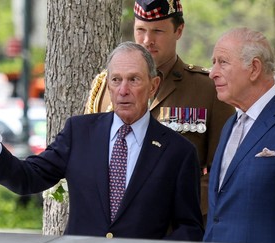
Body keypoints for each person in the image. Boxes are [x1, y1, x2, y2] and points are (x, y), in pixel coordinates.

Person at [0, 42, 203, 240]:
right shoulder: (79, 132)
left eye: (134, 80)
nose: (123, 90)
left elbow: (189, 228)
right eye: (116, 80)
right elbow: (29, 177)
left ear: (153, 85)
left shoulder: (178, 152)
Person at [85, 0, 228, 216]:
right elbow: (91, 159)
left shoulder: (207, 89)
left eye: (157, 31)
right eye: (140, 30)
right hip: (113, 222)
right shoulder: (106, 86)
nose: (147, 40)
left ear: (179, 30)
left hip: (175, 225)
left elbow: (221, 169)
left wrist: (179, 210)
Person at [206, 28, 275, 243]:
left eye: (223, 62)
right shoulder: (230, 125)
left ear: (254, 68)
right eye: (213, 62)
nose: (212, 72)